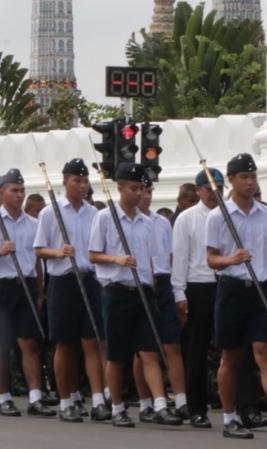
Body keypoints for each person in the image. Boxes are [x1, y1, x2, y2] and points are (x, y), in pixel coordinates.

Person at [207, 153, 267, 438]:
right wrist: (231, 259)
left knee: (265, 352)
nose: (250, 182)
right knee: (231, 357)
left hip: (260, 290)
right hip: (232, 290)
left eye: (253, 176)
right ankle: (229, 418)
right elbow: (211, 259)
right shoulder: (217, 216)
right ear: (231, 180)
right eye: (244, 177)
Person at [89, 163, 181, 428]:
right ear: (120, 188)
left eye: (143, 188)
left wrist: (151, 288)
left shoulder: (147, 222)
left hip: (144, 293)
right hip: (117, 292)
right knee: (116, 355)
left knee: (150, 351)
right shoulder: (105, 217)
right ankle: (117, 407)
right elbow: (93, 254)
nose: (140, 193)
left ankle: (160, 405)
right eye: (134, 188)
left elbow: (152, 262)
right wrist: (116, 259)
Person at [31, 159, 107, 422]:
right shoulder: (50, 213)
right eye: (77, 180)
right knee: (65, 344)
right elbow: (39, 249)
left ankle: (98, 399)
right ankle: (66, 401)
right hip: (63, 281)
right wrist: (58, 252)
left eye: (85, 181)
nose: (82, 186)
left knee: (92, 341)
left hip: (88, 279)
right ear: (65, 182)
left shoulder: (94, 213)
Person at [0, 169, 53, 418]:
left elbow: (37, 260)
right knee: (0, 344)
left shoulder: (33, 223)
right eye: (13, 191)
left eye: (21, 190)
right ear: (1, 193)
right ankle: (4, 397)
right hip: (0, 288)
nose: (19, 195)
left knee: (29, 342)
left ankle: (36, 397)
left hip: (26, 285)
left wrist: (40, 292)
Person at [172, 168, 223, 428]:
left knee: (234, 346)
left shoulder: (229, 214)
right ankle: (196, 407)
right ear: (198, 190)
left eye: (219, 189)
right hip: (199, 285)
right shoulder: (188, 218)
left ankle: (239, 407)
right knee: (197, 349)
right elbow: (180, 256)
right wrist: (179, 292)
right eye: (209, 189)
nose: (214, 194)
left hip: (226, 283)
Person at [135, 177, 187, 423]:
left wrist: (178, 292)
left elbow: (171, 258)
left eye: (149, 190)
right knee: (145, 350)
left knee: (172, 344)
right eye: (141, 190)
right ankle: (147, 402)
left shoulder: (163, 222)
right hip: (142, 285)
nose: (146, 195)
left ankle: (181, 400)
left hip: (164, 284)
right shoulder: (129, 221)